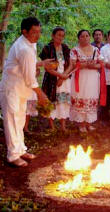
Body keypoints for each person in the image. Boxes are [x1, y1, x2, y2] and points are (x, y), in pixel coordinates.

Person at [0, 17, 50, 167]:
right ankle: (13, 155)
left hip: (21, 89)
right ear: (24, 32)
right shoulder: (24, 48)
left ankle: (20, 149)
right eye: (34, 32)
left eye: (39, 32)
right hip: (12, 88)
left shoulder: (30, 43)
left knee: (20, 120)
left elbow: (27, 65)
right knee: (12, 121)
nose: (38, 35)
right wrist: (41, 95)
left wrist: (41, 63)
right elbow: (30, 78)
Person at [70, 30, 106, 133]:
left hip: (93, 79)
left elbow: (102, 64)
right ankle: (81, 124)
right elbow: (73, 64)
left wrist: (93, 65)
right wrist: (86, 65)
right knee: (81, 98)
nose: (85, 38)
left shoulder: (96, 50)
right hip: (80, 79)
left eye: (87, 36)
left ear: (90, 37)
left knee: (91, 99)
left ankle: (89, 123)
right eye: (82, 36)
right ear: (78, 38)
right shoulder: (75, 50)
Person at [39, 27, 71, 131]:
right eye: (58, 35)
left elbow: (71, 64)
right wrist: (60, 76)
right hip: (51, 80)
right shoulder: (47, 48)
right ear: (53, 36)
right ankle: (52, 126)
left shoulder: (65, 48)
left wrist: (63, 76)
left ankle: (63, 126)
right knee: (51, 101)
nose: (60, 37)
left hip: (64, 79)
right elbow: (47, 67)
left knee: (63, 102)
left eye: (62, 35)